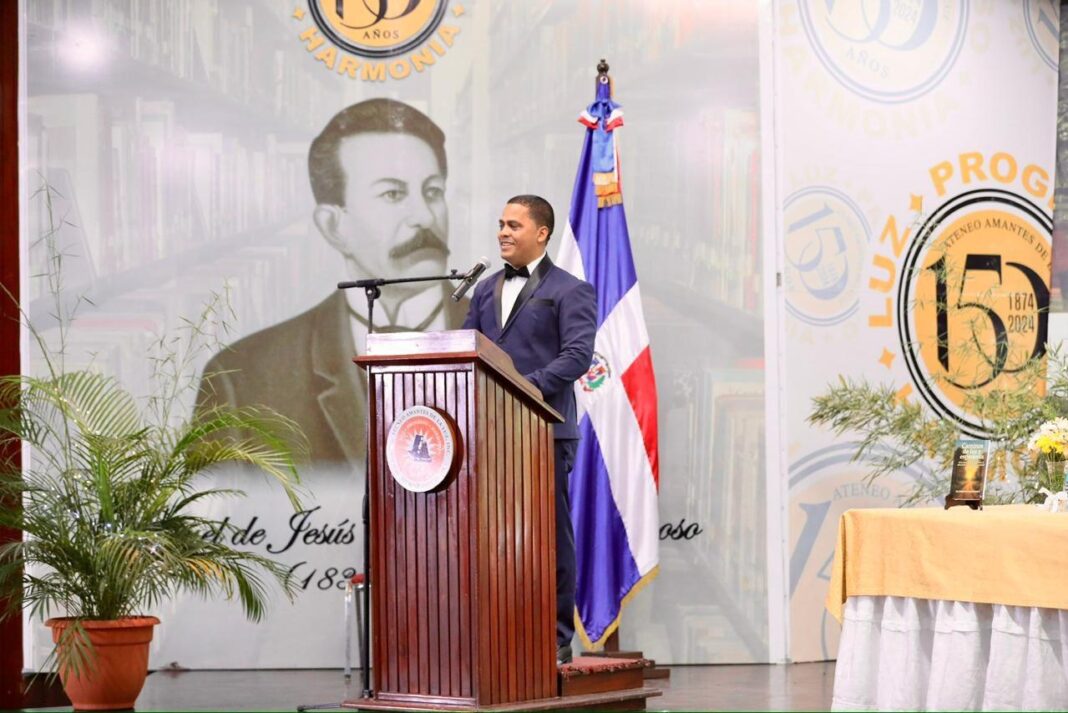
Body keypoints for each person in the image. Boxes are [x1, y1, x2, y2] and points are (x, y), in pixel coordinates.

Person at [196, 98, 467, 467]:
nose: (424, 216)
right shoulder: (242, 381)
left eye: (432, 192)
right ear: (333, 226)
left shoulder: (519, 345)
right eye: (393, 194)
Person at [461, 195, 597, 665]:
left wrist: (521, 387)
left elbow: (577, 356)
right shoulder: (483, 290)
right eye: (500, 223)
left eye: (514, 225)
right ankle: (498, 629)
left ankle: (556, 635)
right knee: (491, 536)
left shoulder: (570, 289)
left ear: (541, 233)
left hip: (544, 431)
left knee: (550, 536)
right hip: (488, 434)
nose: (503, 232)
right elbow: (467, 350)